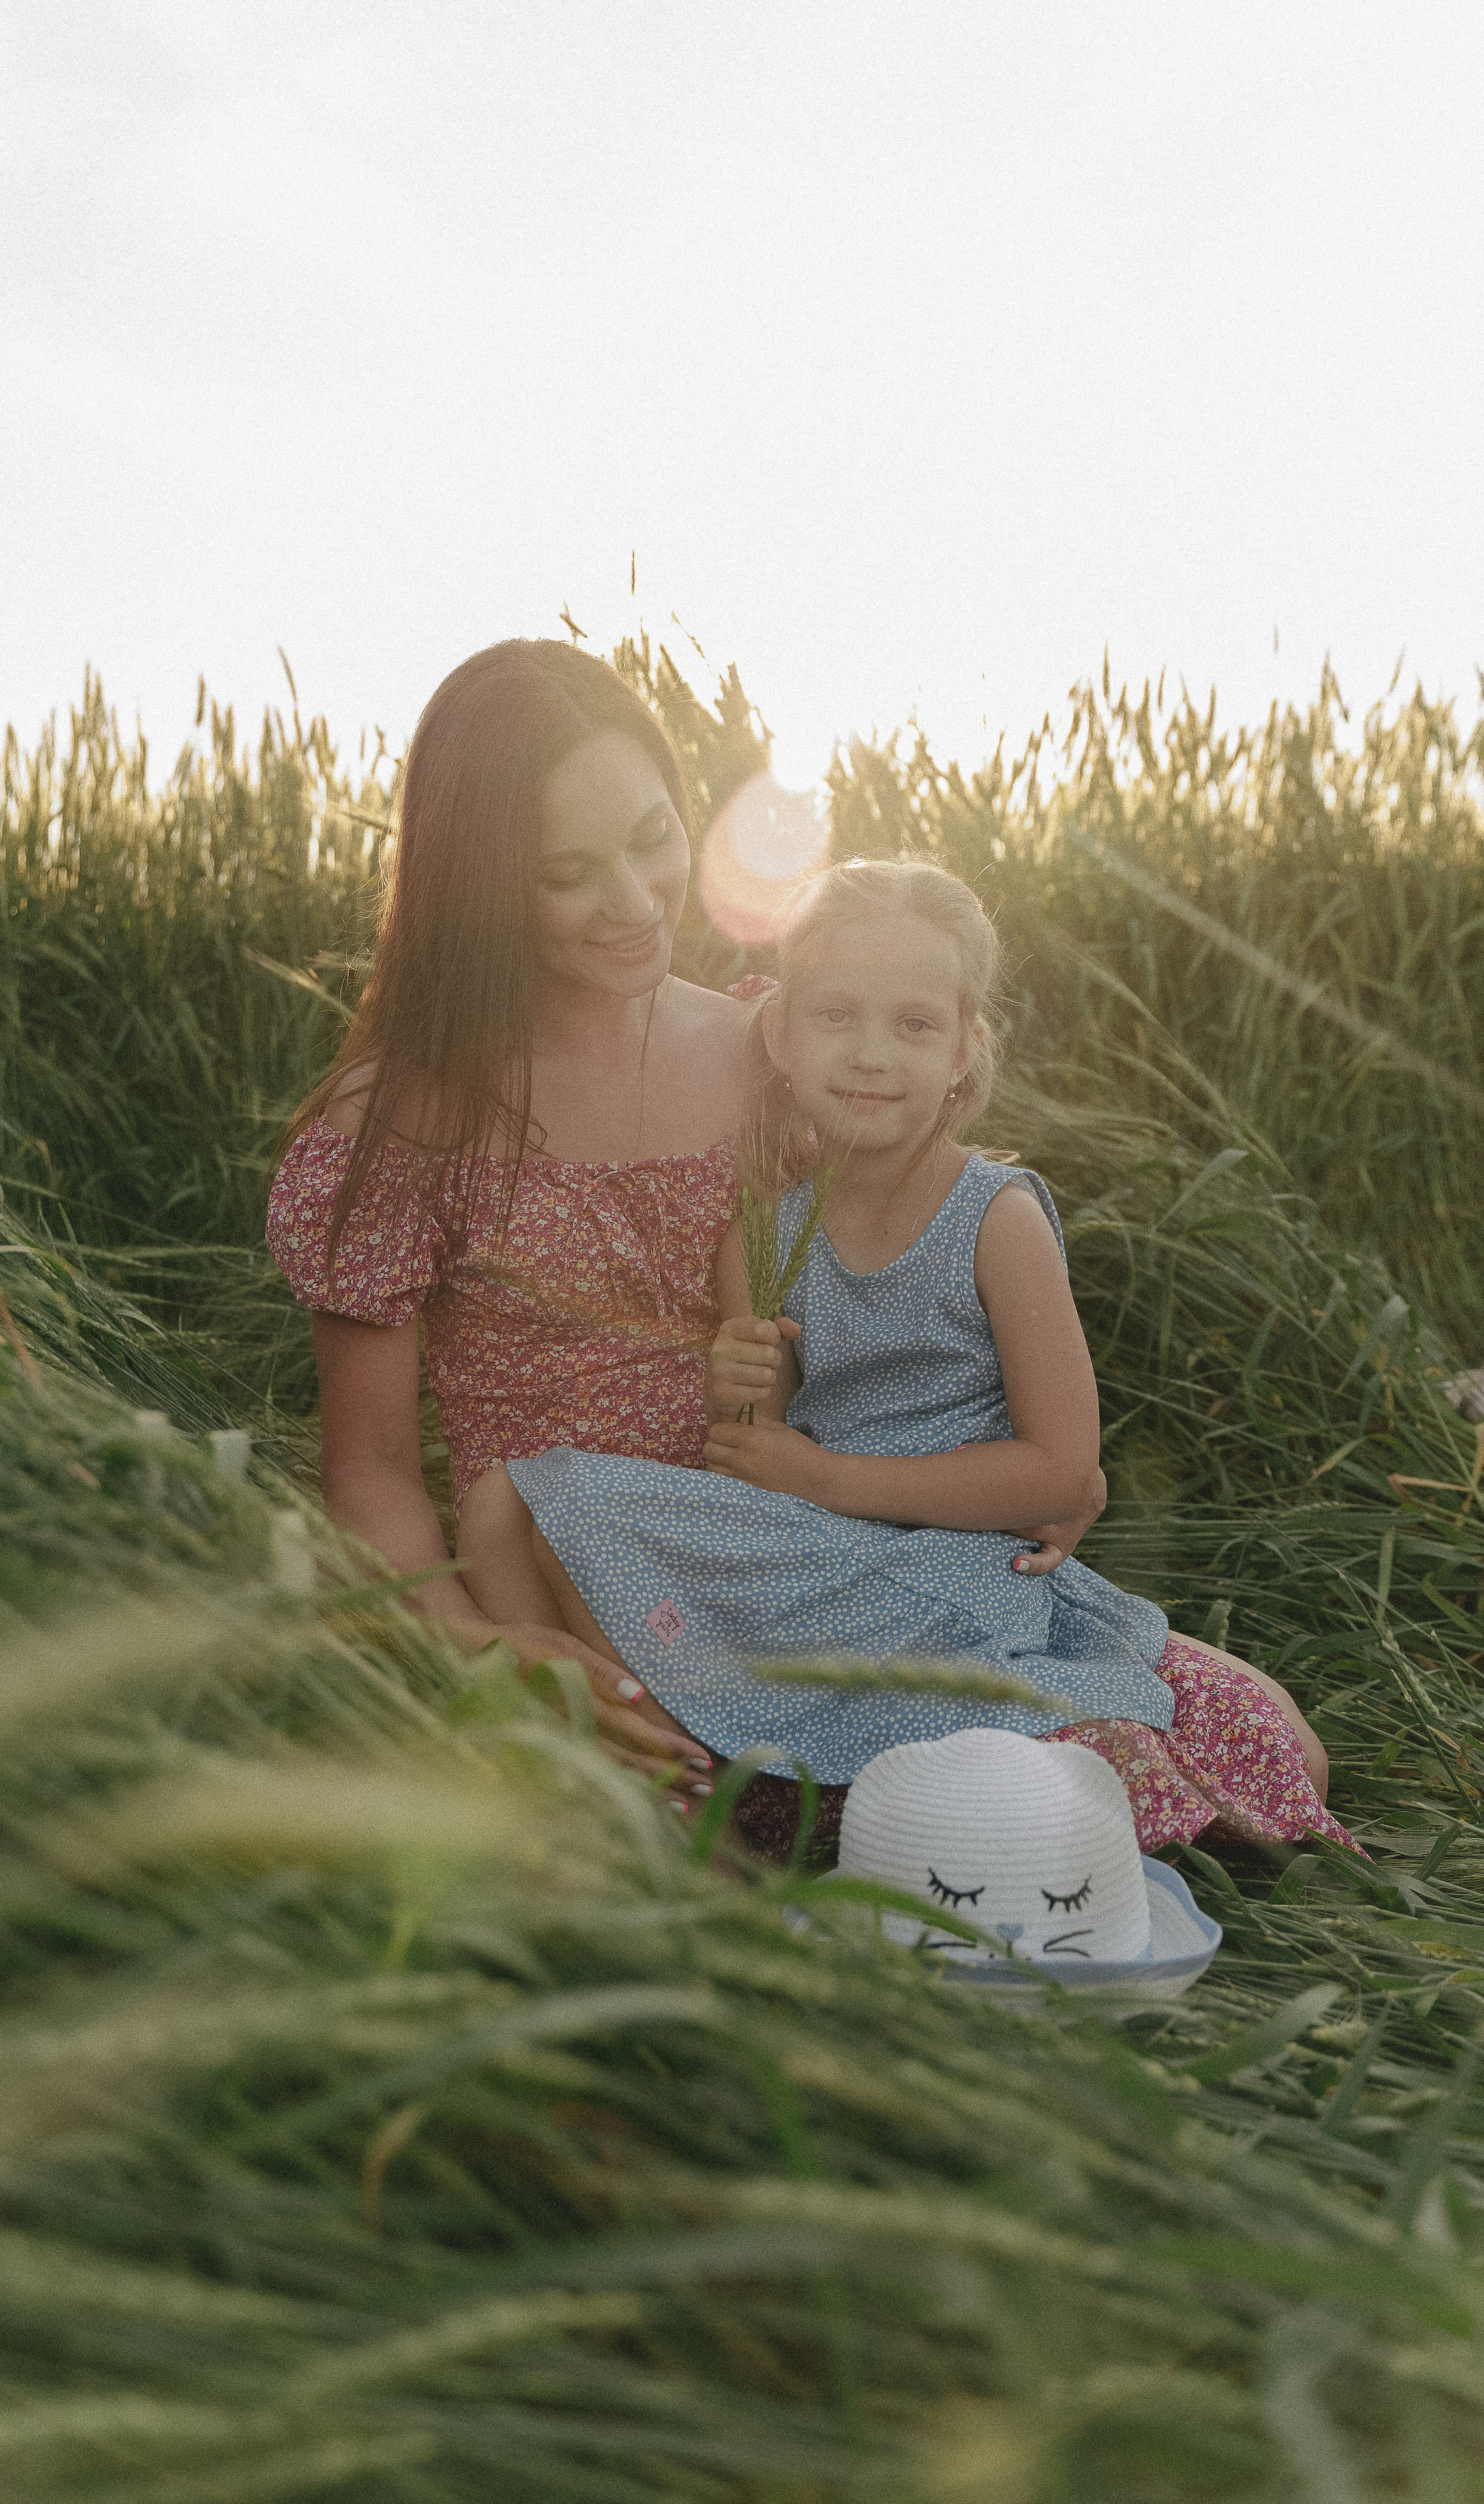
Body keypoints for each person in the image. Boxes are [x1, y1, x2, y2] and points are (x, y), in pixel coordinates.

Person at [266, 645, 1102, 1815]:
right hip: (557, 1581)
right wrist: (480, 1651)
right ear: (479, 884)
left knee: (1208, 1732)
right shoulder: (404, 1122)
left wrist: (1037, 1467)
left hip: (800, 1558)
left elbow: (898, 1297)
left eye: (653, 837)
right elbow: (371, 1472)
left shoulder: (774, 1054)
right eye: (567, 873)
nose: (632, 899)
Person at [464, 857, 1356, 1862]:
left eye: (914, 1025)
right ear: (785, 1036)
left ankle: (949, 1794)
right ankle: (703, 1798)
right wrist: (742, 1390)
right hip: (830, 1569)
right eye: (837, 1016)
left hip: (964, 1567)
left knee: (1286, 1750)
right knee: (536, 1498)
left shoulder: (995, 1217)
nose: (871, 1055)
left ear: (966, 1052)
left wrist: (832, 1479)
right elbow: (766, 1454)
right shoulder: (766, 1228)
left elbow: (1063, 1470)